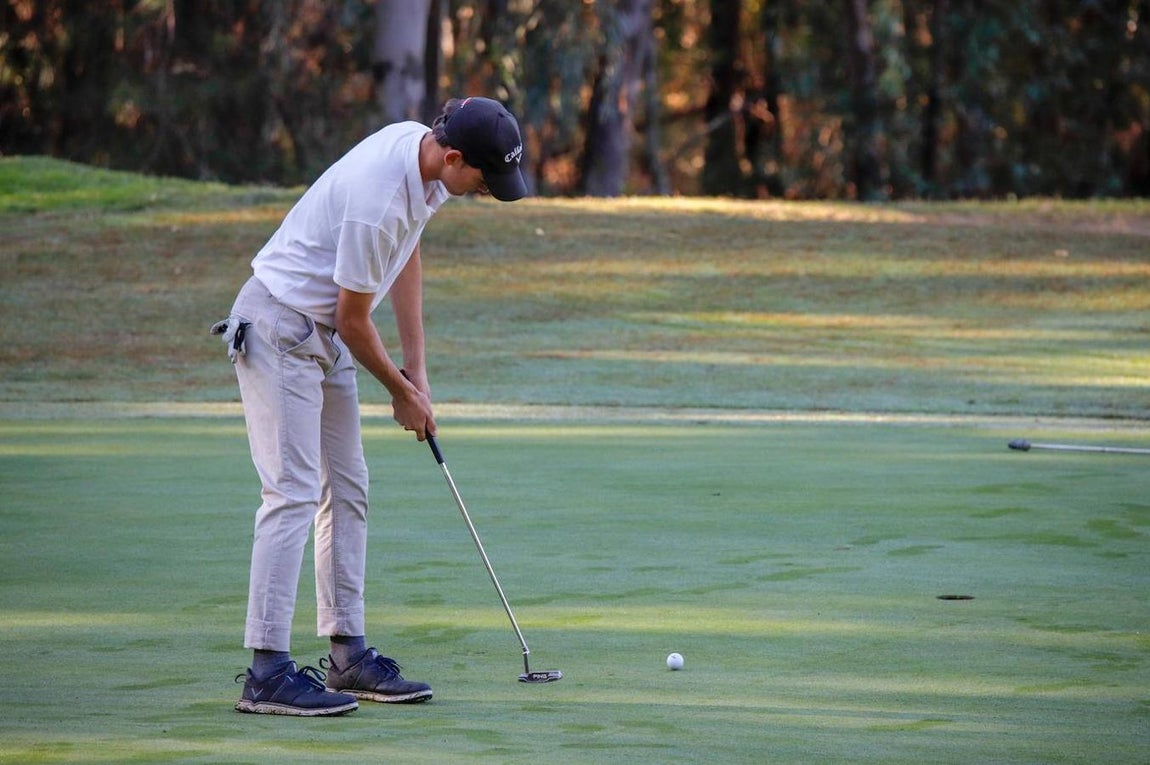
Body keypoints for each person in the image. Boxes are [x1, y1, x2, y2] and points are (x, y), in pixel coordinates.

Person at [214, 97, 528, 716]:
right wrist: (400, 394)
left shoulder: (425, 160)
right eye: (484, 179)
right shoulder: (378, 199)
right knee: (291, 491)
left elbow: (406, 252)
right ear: (454, 156)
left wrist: (418, 369)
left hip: (322, 332)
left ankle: (348, 656)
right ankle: (266, 671)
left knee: (348, 486)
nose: (486, 190)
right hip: (279, 326)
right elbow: (355, 321)